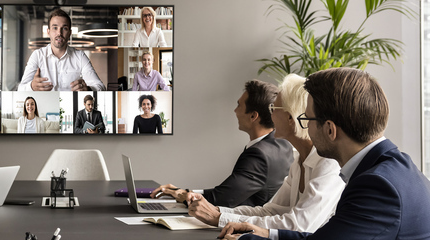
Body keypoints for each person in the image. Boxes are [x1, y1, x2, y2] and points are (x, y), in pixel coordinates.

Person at [219, 68, 430, 240]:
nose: (306, 130)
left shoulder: (376, 185)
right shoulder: (393, 168)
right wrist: (265, 233)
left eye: (307, 120)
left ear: (330, 129)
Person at [184, 74, 344, 232]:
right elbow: (270, 211)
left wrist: (218, 218)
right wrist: (218, 212)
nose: (270, 115)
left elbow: (298, 226)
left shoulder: (328, 163)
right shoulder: (299, 161)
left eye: (274, 108)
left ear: (290, 117)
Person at [151, 80, 293, 207]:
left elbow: (221, 199)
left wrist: (182, 195)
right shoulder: (283, 144)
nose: (235, 111)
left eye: (239, 105)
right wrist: (183, 192)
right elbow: (225, 193)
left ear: (253, 116)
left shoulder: (259, 154)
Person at [18, 8, 105, 91]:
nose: (59, 33)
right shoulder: (37, 55)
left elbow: (100, 87)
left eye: (64, 28)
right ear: (48, 32)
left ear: (70, 33)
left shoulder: (80, 56)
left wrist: (88, 89)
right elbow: (20, 89)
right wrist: (32, 87)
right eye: (55, 28)